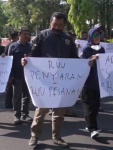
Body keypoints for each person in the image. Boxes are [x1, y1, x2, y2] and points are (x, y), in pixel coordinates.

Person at [23, 12, 96, 148]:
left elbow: (74, 59)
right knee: (41, 111)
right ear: (51, 22)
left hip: (62, 81)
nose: (57, 27)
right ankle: (34, 136)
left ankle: (57, 137)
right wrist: (25, 61)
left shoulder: (68, 39)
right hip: (44, 81)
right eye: (55, 24)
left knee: (59, 112)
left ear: (64, 25)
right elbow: (32, 55)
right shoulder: (42, 36)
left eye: (60, 25)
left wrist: (86, 63)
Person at [81, 26, 105, 138]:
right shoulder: (86, 49)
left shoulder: (102, 49)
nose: (97, 38)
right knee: (89, 106)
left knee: (96, 106)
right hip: (87, 83)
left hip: (98, 83)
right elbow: (82, 65)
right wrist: (90, 61)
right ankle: (92, 129)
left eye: (99, 35)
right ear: (90, 37)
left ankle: (90, 124)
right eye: (95, 35)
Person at [8, 27, 33, 124]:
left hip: (28, 76)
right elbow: (9, 62)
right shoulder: (13, 46)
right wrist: (11, 76)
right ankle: (16, 116)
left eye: (28, 34)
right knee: (17, 96)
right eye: (25, 34)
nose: (27, 36)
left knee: (27, 96)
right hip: (17, 75)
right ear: (19, 34)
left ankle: (25, 114)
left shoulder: (30, 46)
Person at [4, 31, 19, 109]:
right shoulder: (11, 45)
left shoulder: (8, 45)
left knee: (9, 87)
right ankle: (9, 104)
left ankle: (8, 103)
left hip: (9, 68)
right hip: (10, 68)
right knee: (10, 87)